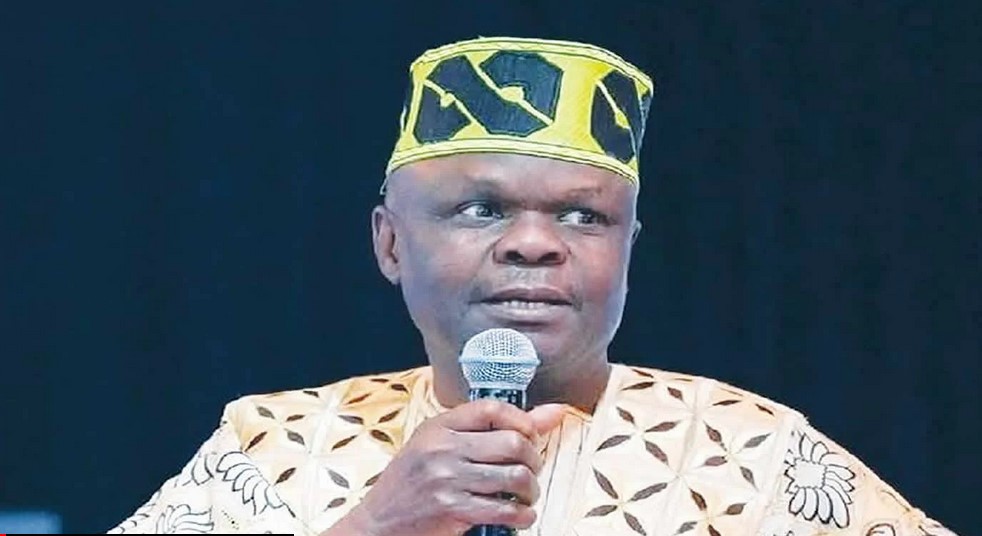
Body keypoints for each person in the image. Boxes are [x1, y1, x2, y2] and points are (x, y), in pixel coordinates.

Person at [109, 37, 955, 536]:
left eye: (584, 217)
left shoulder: (754, 454)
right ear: (391, 243)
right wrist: (376, 528)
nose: (534, 245)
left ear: (628, 249)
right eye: (481, 209)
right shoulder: (272, 447)